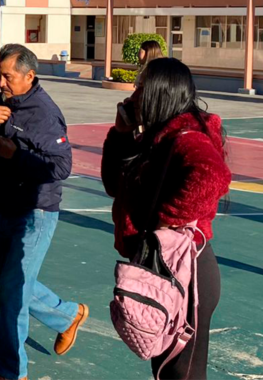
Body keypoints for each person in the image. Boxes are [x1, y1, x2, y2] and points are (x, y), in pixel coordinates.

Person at [101, 57, 231, 380]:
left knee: (181, 372)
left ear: (160, 93)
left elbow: (212, 176)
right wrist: (120, 135)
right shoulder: (155, 137)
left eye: (142, 88)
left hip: (187, 271)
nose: (134, 95)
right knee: (167, 368)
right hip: (167, 268)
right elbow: (111, 184)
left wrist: (165, 222)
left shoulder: (186, 136)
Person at [0, 44, 86, 380]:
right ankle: (67, 316)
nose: (2, 81)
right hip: (5, 208)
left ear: (30, 76)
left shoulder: (45, 113)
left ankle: (12, 372)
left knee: (14, 293)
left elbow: (61, 167)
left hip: (36, 212)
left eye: (9, 76)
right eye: (0, 74)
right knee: (10, 283)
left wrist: (14, 157)